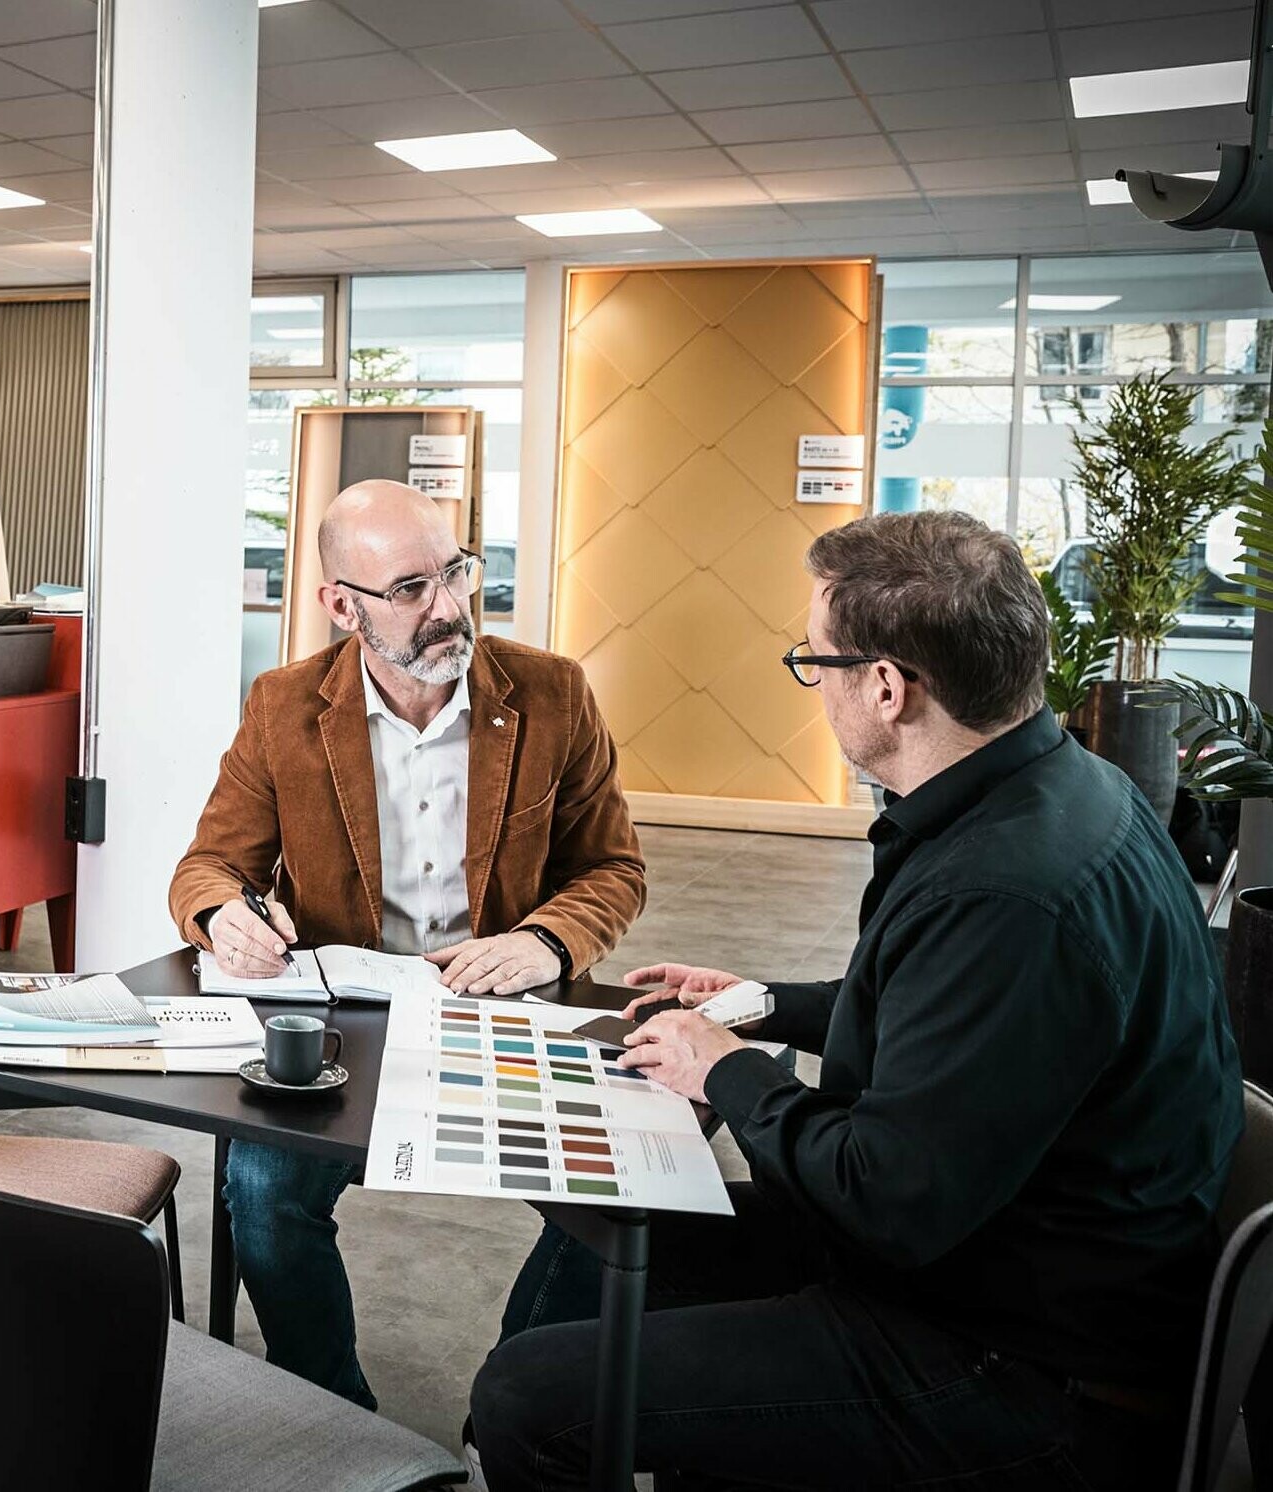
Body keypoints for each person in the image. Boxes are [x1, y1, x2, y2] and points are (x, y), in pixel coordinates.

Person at [470, 510, 1243, 1491]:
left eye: (815, 661)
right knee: (602, 1233)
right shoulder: (1063, 790)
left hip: (1020, 1367)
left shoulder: (1005, 890)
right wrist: (761, 1004)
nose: (815, 683)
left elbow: (887, 1199)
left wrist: (725, 1067)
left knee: (529, 1397)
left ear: (885, 687)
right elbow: (953, 1029)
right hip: (996, 1261)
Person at [168, 479, 647, 1409]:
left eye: (457, 573)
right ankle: (335, 1409)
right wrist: (224, 914)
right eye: (412, 589)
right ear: (340, 605)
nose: (449, 608)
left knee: (619, 1202)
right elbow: (208, 867)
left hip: (510, 1015)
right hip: (346, 1024)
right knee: (264, 1196)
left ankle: (514, 1405)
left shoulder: (552, 694)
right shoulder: (282, 707)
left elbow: (614, 870)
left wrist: (547, 941)